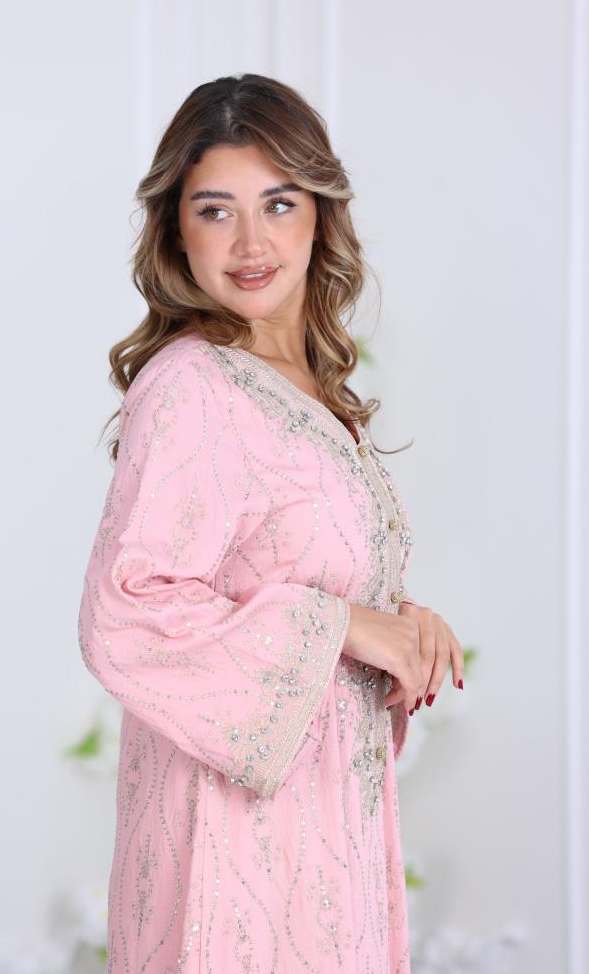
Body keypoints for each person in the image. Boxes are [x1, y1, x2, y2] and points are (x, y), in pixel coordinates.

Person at [77, 72, 464, 974]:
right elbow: (127, 611)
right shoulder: (192, 385)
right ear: (176, 229)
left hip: (322, 829)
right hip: (233, 845)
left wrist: (399, 626)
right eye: (215, 210)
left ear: (319, 215)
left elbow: (293, 574)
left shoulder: (306, 389)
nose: (250, 243)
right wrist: (345, 627)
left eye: (278, 204)